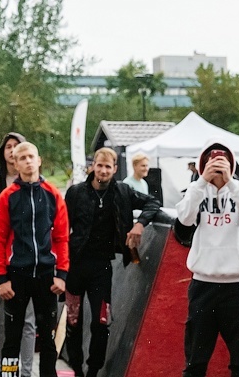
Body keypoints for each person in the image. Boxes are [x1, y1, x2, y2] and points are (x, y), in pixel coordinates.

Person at [62, 147, 161, 377]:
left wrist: (139, 224)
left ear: (115, 169)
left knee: (101, 322)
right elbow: (61, 226)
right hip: (75, 266)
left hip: (102, 268)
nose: (103, 170)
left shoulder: (123, 192)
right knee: (74, 322)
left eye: (108, 166)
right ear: (93, 166)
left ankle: (93, 371)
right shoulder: (76, 193)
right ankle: (76, 368)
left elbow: (153, 203)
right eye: (100, 165)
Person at [172, 142, 239, 377]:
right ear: (203, 165)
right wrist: (202, 181)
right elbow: (184, 219)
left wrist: (230, 183)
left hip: (238, 286)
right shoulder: (196, 190)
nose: (218, 170)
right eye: (212, 164)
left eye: (223, 164)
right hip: (204, 285)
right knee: (195, 362)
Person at [0, 142, 69, 377]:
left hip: (47, 276)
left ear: (39, 160)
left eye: (30, 156)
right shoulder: (7, 197)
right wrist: (1, 278)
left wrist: (62, 274)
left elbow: (62, 237)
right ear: (14, 164)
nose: (27, 161)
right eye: (21, 157)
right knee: (12, 338)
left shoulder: (53, 194)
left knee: (47, 337)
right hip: (16, 276)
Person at [0, 133, 36, 377]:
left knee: (27, 319)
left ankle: (24, 371)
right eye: (8, 146)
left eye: (17, 147)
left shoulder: (38, 184)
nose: (12, 151)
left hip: (28, 259)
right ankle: (1, 368)